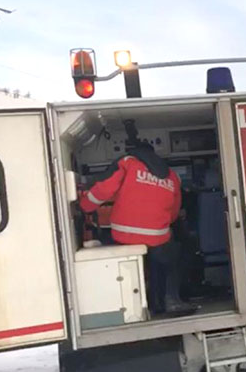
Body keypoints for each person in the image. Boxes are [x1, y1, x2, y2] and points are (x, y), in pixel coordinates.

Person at [79, 120, 190, 313]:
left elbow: (103, 190)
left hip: (124, 236)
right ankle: (170, 300)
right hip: (157, 237)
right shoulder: (171, 175)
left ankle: (140, 301)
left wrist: (84, 205)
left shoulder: (128, 164)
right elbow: (173, 213)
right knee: (170, 256)